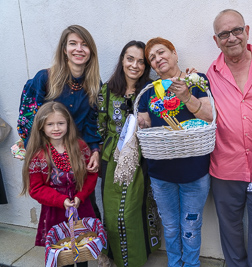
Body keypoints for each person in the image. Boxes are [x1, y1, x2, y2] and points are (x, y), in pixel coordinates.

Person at [206, 9, 252, 267]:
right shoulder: (209, 74)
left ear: (247, 31)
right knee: (231, 232)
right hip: (225, 167)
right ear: (216, 41)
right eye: (224, 34)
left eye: (237, 30)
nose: (232, 38)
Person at [137, 37, 213, 267]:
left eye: (162, 52)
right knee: (170, 227)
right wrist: (140, 121)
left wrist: (187, 96)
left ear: (174, 54)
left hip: (195, 170)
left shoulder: (196, 80)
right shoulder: (149, 92)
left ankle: (191, 264)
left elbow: (209, 116)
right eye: (152, 57)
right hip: (161, 173)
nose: (158, 58)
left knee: (191, 226)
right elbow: (146, 123)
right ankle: (174, 264)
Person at [17, 25, 102, 218]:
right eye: (73, 43)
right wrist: (38, 156)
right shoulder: (45, 78)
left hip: (78, 156)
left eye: (84, 45)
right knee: (55, 210)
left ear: (91, 51)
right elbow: (29, 119)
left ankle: (90, 247)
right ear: (64, 49)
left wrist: (95, 150)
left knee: (87, 206)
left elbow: (92, 123)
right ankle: (60, 248)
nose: (79, 49)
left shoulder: (94, 85)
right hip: (50, 159)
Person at [97, 40, 161, 267]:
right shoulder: (106, 90)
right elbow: (100, 128)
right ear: (122, 60)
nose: (135, 65)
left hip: (141, 159)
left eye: (141, 61)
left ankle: (136, 259)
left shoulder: (153, 90)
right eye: (130, 59)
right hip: (111, 159)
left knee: (135, 211)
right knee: (113, 214)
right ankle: (114, 256)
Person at [21, 101, 98, 267]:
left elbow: (91, 175)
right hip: (55, 212)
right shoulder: (38, 156)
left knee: (82, 249)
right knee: (64, 254)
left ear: (68, 124)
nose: (56, 128)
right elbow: (36, 189)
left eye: (60, 123)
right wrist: (60, 200)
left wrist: (80, 196)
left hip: (81, 208)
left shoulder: (80, 147)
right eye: (50, 124)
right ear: (41, 126)